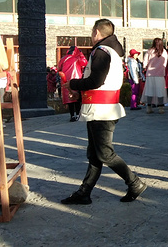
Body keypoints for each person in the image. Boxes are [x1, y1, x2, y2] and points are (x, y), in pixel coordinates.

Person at [61, 19, 146, 204]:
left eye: (92, 32)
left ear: (97, 32)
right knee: (95, 153)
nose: (92, 36)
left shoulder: (102, 52)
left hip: (101, 110)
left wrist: (74, 83)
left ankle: (134, 183)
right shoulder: (112, 51)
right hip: (103, 108)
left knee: (104, 153)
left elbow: (95, 81)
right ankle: (85, 192)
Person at [58, 46, 88, 120]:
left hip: (65, 79)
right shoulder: (77, 58)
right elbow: (85, 63)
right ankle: (78, 114)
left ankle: (72, 115)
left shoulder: (63, 59)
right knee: (77, 98)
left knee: (70, 99)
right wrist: (80, 54)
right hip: (76, 79)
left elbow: (59, 68)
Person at [142, 38, 168, 114]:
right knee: (160, 91)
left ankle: (149, 107)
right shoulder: (164, 52)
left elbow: (145, 61)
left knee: (149, 91)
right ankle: (161, 108)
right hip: (160, 74)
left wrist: (145, 67)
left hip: (150, 73)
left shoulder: (150, 51)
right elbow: (165, 63)